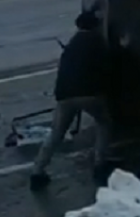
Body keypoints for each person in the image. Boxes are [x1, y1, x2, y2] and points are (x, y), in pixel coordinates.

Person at [30, 11, 115, 192]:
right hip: (89, 94)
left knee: (56, 133)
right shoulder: (96, 41)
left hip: (64, 95)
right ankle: (100, 164)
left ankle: (38, 171)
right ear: (94, 25)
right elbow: (107, 66)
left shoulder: (72, 44)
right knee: (104, 123)